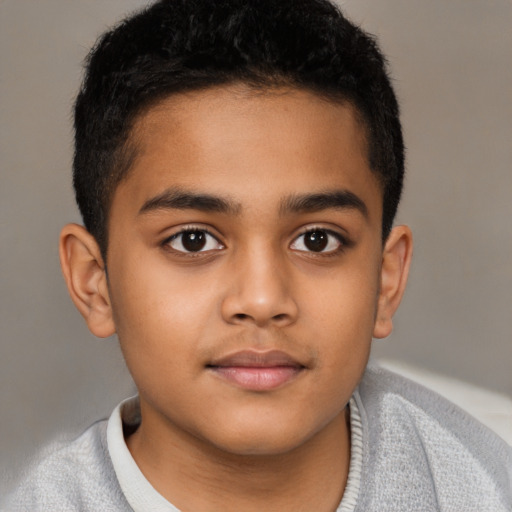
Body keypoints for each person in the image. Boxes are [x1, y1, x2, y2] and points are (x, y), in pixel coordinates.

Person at [4, 0, 511, 510]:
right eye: (193, 240)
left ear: (386, 280)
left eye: (317, 240)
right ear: (95, 282)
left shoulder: (486, 486)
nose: (263, 299)